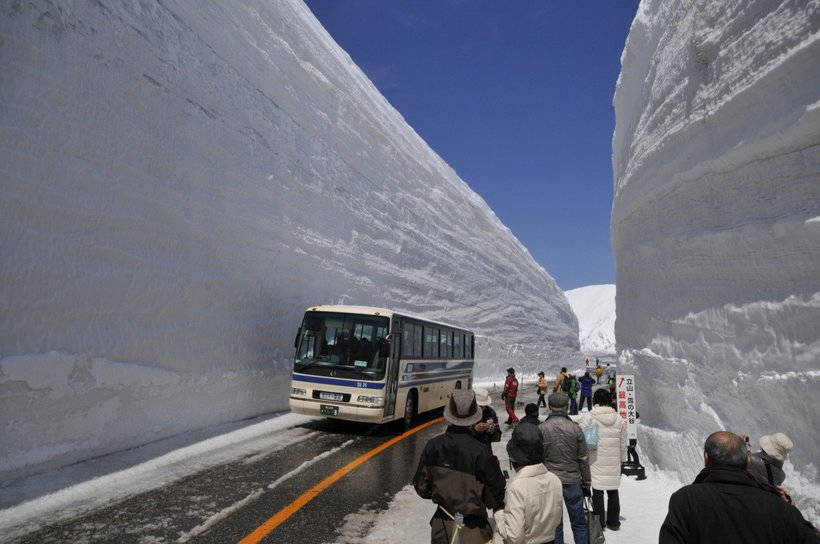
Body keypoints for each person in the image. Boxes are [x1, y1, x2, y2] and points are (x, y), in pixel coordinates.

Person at [659, 431, 818, 544]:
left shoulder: (685, 499)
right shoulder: (782, 506)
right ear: (747, 460)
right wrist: (789, 510)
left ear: (706, 457)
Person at [414, 389, 506, 544]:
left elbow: (421, 487)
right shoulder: (481, 451)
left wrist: (445, 494)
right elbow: (496, 494)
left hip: (441, 526)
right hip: (473, 529)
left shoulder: (433, 446)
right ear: (475, 416)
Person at [494, 421, 563, 544]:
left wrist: (499, 515)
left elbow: (514, 536)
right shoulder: (554, 479)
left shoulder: (517, 487)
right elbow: (556, 520)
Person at [538, 392, 591, 544]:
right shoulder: (575, 428)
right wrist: (587, 483)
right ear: (567, 407)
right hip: (573, 479)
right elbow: (583, 458)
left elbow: (539, 458)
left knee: (555, 524)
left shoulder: (541, 428)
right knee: (579, 523)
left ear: (549, 407)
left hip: (550, 481)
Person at [580, 388, 627, 531]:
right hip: (613, 461)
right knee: (613, 491)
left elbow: (589, 444)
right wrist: (623, 460)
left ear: (595, 400)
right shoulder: (619, 419)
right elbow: (623, 442)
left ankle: (600, 523)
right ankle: (613, 522)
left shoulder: (590, 418)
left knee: (598, 491)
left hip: (596, 460)